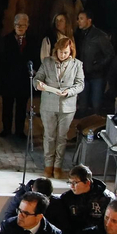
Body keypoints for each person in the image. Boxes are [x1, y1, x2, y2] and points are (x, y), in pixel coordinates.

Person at [32, 35, 82, 177]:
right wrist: (38, 84)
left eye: (66, 52)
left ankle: (58, 166)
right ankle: (48, 165)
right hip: (48, 105)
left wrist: (69, 92)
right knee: (49, 136)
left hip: (67, 106)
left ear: (71, 52)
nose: (63, 55)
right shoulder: (47, 62)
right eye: (60, 52)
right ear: (56, 50)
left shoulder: (77, 64)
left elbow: (80, 84)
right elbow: (37, 78)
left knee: (62, 137)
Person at [46, 165, 113, 234]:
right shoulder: (67, 197)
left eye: (75, 183)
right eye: (70, 183)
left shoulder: (105, 198)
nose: (72, 186)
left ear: (87, 182)